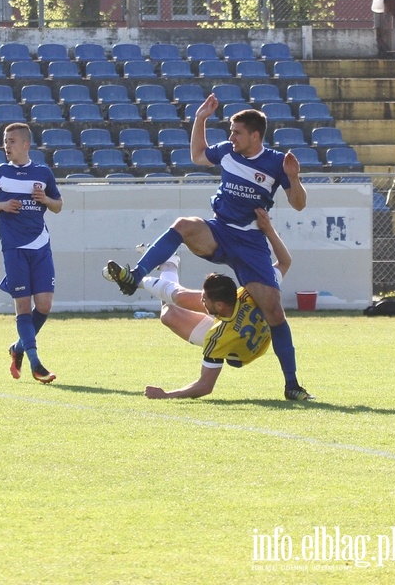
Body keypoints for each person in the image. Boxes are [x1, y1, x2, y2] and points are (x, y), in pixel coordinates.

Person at [103, 94, 314, 401]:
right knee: (183, 225)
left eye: (237, 132)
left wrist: (294, 178)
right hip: (219, 230)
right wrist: (200, 117)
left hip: (251, 243)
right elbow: (199, 155)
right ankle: (134, 277)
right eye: (230, 131)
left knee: (274, 312)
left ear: (255, 135)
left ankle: (292, 385)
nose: (231, 137)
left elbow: (299, 205)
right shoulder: (228, 151)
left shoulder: (277, 163)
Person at [136, 208, 306, 399]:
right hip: (238, 320)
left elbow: (204, 386)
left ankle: (150, 275)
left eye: (205, 299)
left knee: (169, 313)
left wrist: (166, 395)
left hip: (233, 344)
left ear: (218, 306)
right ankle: (162, 266)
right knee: (180, 299)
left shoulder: (217, 339)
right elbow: (285, 261)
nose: (202, 299)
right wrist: (269, 230)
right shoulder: (252, 295)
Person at [0, 123, 63, 383]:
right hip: (14, 248)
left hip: (40, 246)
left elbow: (58, 205)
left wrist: (46, 200)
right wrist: (3, 205)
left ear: (26, 144)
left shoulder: (42, 172)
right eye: (6, 141)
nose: (7, 145)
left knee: (45, 305)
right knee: (23, 307)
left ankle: (18, 348)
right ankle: (36, 363)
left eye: (12, 141)